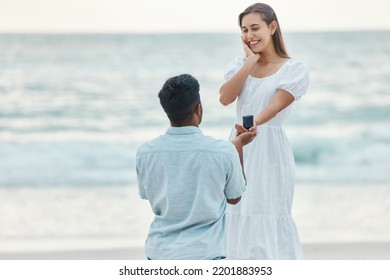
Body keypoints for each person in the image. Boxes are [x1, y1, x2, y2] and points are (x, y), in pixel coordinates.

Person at [219, 3, 309, 259]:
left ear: (272, 26)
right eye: (245, 30)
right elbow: (225, 98)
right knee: (237, 209)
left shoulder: (294, 69)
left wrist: (251, 124)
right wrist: (250, 62)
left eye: (255, 27)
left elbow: (276, 104)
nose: (250, 35)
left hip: (269, 150)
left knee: (267, 207)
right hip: (238, 145)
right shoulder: (240, 64)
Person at [136, 74, 256, 260]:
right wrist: (238, 145)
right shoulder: (223, 151)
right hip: (206, 254)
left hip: (159, 254)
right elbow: (235, 197)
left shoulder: (146, 152)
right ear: (198, 109)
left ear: (167, 111)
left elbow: (146, 194)